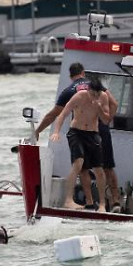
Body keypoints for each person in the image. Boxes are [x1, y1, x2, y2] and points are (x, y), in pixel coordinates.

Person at [35, 63, 121, 213]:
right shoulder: (87, 91)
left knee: (88, 168)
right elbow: (115, 104)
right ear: (83, 73)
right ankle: (114, 202)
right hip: (91, 130)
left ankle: (92, 202)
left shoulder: (70, 90)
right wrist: (106, 123)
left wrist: (38, 131)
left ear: (70, 76)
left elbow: (53, 114)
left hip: (93, 131)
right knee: (103, 166)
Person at [50, 78, 110, 212]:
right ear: (88, 90)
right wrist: (56, 132)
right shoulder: (79, 96)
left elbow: (106, 120)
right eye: (93, 94)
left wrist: (99, 108)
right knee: (78, 163)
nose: (95, 97)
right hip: (76, 132)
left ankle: (101, 204)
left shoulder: (103, 97)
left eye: (97, 95)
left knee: (99, 170)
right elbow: (63, 114)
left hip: (92, 134)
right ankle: (68, 200)